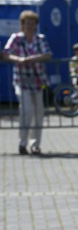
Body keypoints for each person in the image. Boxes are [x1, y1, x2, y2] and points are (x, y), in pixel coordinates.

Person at [4, 11, 52, 156]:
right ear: (22, 25)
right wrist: (19, 59)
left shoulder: (40, 38)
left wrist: (35, 58)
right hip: (22, 79)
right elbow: (6, 53)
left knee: (39, 112)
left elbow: (48, 54)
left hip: (38, 80)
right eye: (27, 23)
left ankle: (35, 144)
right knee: (26, 110)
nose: (30, 26)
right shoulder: (16, 38)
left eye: (32, 23)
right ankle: (22, 143)